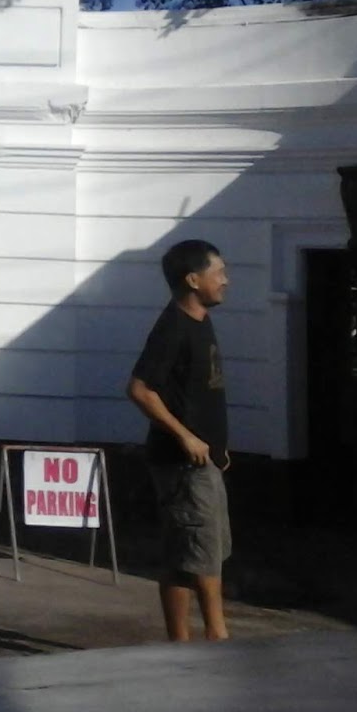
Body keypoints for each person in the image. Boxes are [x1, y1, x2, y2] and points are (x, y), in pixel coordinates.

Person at [127, 239, 232, 642]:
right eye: (218, 272)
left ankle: (179, 646)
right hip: (183, 465)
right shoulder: (173, 327)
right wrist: (187, 437)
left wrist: (218, 446)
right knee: (203, 554)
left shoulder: (200, 320)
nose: (225, 280)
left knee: (184, 554)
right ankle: (217, 637)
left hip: (205, 461)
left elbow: (198, 393)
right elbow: (140, 389)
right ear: (193, 279)